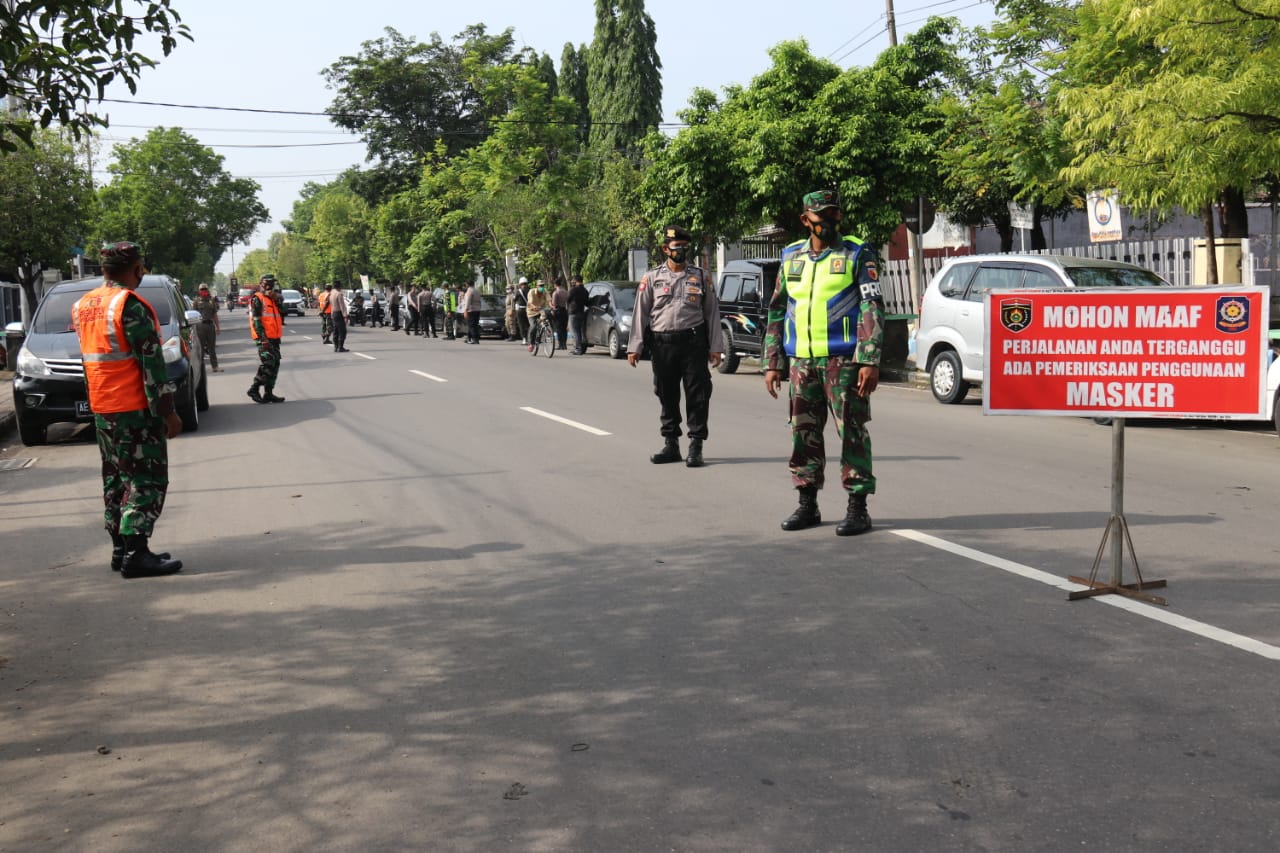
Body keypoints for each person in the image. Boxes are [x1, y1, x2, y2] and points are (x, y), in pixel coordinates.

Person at [764, 189, 884, 536]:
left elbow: (871, 307)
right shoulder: (790, 258)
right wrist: (773, 360)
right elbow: (776, 309)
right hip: (801, 361)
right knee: (803, 434)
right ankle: (807, 504)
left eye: (834, 216)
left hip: (843, 362)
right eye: (821, 219)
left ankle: (857, 507)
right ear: (806, 221)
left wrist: (868, 358)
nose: (829, 223)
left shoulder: (857, 253)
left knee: (852, 433)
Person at [72, 241, 183, 577]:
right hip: (134, 407)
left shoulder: (84, 304)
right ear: (137, 268)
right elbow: (152, 364)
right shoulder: (129, 305)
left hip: (103, 407)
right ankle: (136, 553)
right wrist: (168, 411)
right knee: (146, 478)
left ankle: (121, 550)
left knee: (116, 479)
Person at [627, 225, 724, 468]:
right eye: (675, 247)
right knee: (666, 393)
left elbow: (712, 313)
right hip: (662, 344)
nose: (680, 251)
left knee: (698, 394)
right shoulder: (652, 278)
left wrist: (716, 347)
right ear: (665, 249)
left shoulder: (701, 276)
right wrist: (635, 346)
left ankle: (696, 445)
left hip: (693, 342)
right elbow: (641, 312)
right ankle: (671, 444)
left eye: (683, 247)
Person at [247, 274, 286, 403]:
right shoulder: (257, 299)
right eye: (267, 283)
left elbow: (282, 312)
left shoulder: (272, 299)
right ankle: (254, 388)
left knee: (275, 363)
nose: (269, 286)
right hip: (264, 338)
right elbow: (256, 321)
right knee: (268, 363)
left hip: (274, 337)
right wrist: (263, 339)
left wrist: (277, 300)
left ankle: (268, 393)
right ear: (261, 284)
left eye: (271, 283)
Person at [192, 283, 222, 372]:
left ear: (207, 290)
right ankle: (200, 368)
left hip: (210, 326)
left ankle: (215, 366)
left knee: (212, 347)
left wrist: (218, 327)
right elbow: (193, 315)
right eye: (202, 290)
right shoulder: (196, 301)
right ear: (199, 291)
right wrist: (193, 329)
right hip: (200, 326)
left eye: (205, 289)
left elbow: (215, 315)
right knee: (200, 348)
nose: (204, 291)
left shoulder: (212, 301)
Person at [567, 274, 590, 355]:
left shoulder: (573, 290)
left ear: (576, 281)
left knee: (575, 332)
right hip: (581, 312)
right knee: (580, 331)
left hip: (573, 313)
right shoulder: (585, 291)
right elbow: (587, 302)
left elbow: (568, 299)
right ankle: (580, 348)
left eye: (573, 280)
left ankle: (578, 349)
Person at [525, 279, 549, 351]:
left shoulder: (545, 291)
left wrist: (552, 306)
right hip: (531, 312)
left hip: (540, 310)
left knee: (546, 318)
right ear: (537, 286)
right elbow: (530, 303)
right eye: (540, 286)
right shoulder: (531, 292)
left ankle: (545, 332)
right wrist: (534, 307)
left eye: (543, 286)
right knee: (533, 326)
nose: (542, 287)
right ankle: (531, 343)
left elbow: (549, 300)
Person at [330, 284, 350, 352]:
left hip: (334, 314)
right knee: (342, 331)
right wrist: (345, 316)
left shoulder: (331, 294)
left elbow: (331, 306)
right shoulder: (339, 294)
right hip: (339, 314)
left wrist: (332, 314)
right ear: (339, 287)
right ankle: (340, 347)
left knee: (335, 331)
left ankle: (336, 347)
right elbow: (342, 305)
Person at [514, 277, 530, 344]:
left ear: (520, 284)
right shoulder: (530, 290)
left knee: (521, 325)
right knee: (528, 324)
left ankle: (524, 339)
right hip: (528, 309)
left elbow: (514, 299)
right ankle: (530, 338)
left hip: (520, 310)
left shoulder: (518, 292)